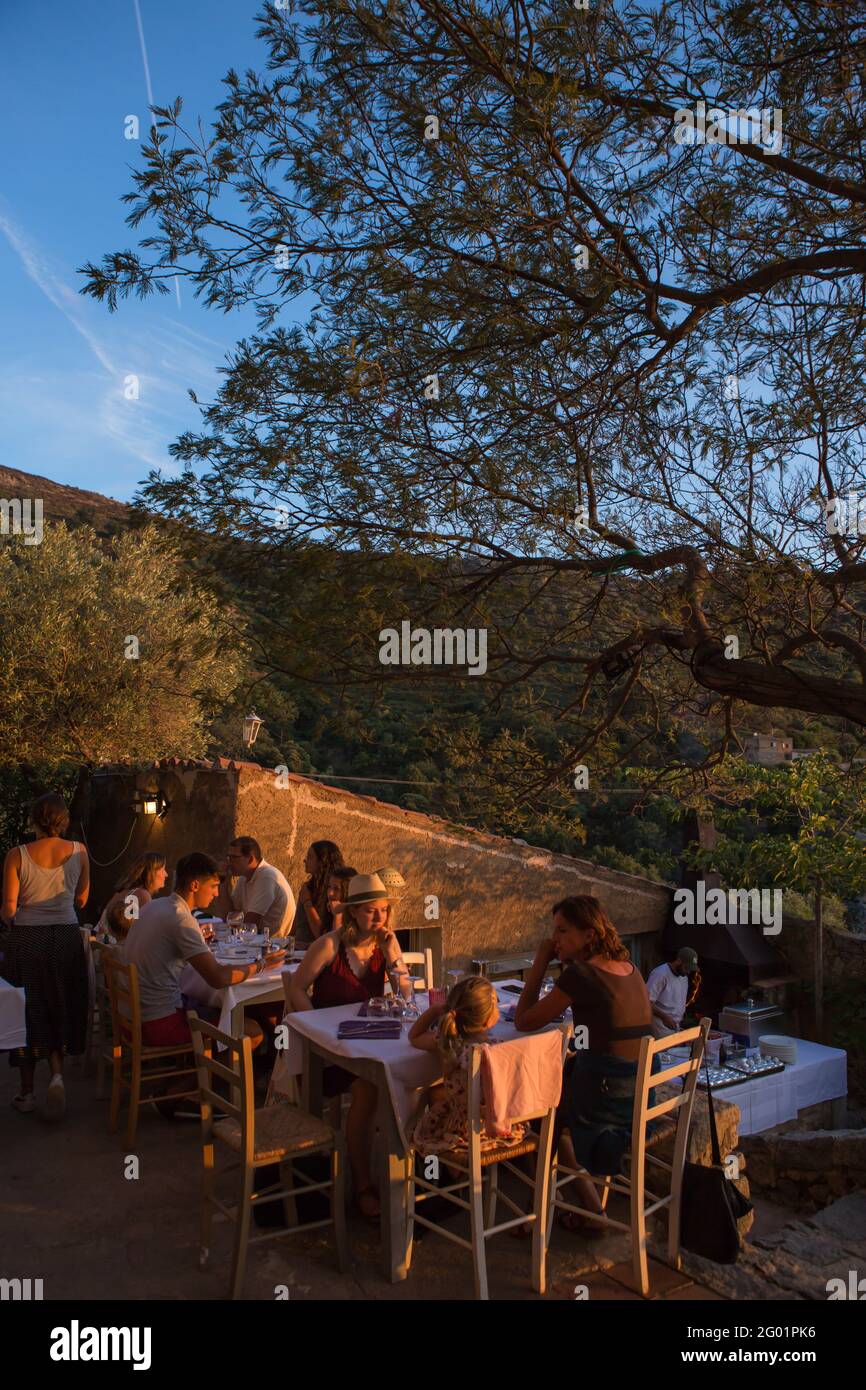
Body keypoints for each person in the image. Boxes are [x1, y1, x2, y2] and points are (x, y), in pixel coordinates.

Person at [514, 895, 653, 1230]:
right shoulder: (630, 969)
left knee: (540, 1113)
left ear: (589, 935)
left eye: (562, 931)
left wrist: (539, 961)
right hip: (636, 1098)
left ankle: (536, 1212)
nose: (555, 939)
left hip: (606, 1104)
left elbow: (524, 1020)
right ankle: (589, 1211)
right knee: (556, 1107)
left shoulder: (581, 976)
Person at [286, 872, 413, 1220]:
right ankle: (362, 1183)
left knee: (403, 1080)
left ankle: (407, 1175)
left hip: (367, 1042)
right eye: (372, 911)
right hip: (328, 1051)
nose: (379, 918)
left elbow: (407, 997)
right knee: (370, 1089)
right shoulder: (329, 945)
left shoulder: (385, 944)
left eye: (384, 910)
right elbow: (296, 988)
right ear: (354, 912)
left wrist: (392, 957)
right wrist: (315, 1025)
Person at [123, 852, 284, 1056]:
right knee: (252, 1031)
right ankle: (201, 1085)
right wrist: (261, 964)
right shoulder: (180, 919)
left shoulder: (155, 906)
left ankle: (199, 1078)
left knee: (218, 1010)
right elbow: (218, 978)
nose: (216, 894)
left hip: (131, 1018)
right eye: (214, 886)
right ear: (195, 886)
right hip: (158, 1023)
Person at [1, 793, 90, 1118]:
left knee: (27, 1008)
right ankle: (57, 1075)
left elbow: (10, 908)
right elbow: (82, 900)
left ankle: (27, 1092)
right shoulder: (80, 852)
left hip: (27, 938)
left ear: (34, 819)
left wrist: (9, 912)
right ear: (64, 820)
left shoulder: (17, 854)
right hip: (65, 936)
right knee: (60, 1003)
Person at [409, 975, 525, 1154]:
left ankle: (451, 1175)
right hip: (494, 1128)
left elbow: (414, 1037)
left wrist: (433, 1011)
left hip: (459, 1129)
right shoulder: (496, 1048)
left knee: (434, 1094)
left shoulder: (448, 1041)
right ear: (487, 1021)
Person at [223, 837, 295, 938]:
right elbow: (230, 915)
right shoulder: (244, 877)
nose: (229, 862)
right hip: (256, 940)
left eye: (233, 858)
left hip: (273, 944)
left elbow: (249, 925)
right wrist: (223, 881)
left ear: (250, 859)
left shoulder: (267, 876)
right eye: (228, 857)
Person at [95, 853, 168, 940]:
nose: (166, 874)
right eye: (163, 870)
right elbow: (145, 934)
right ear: (151, 873)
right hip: (112, 949)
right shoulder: (142, 895)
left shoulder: (126, 891)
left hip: (101, 946)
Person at [293, 841, 344, 943]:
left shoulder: (332, 893)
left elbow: (321, 935)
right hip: (297, 949)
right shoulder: (308, 887)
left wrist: (308, 903)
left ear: (322, 862)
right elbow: (296, 926)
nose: (305, 860)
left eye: (310, 857)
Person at [646, 947, 699, 1039]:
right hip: (660, 1028)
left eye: (690, 969)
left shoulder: (684, 977)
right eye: (686, 968)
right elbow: (646, 1002)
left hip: (676, 1027)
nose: (688, 972)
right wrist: (665, 1017)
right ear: (678, 961)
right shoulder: (660, 974)